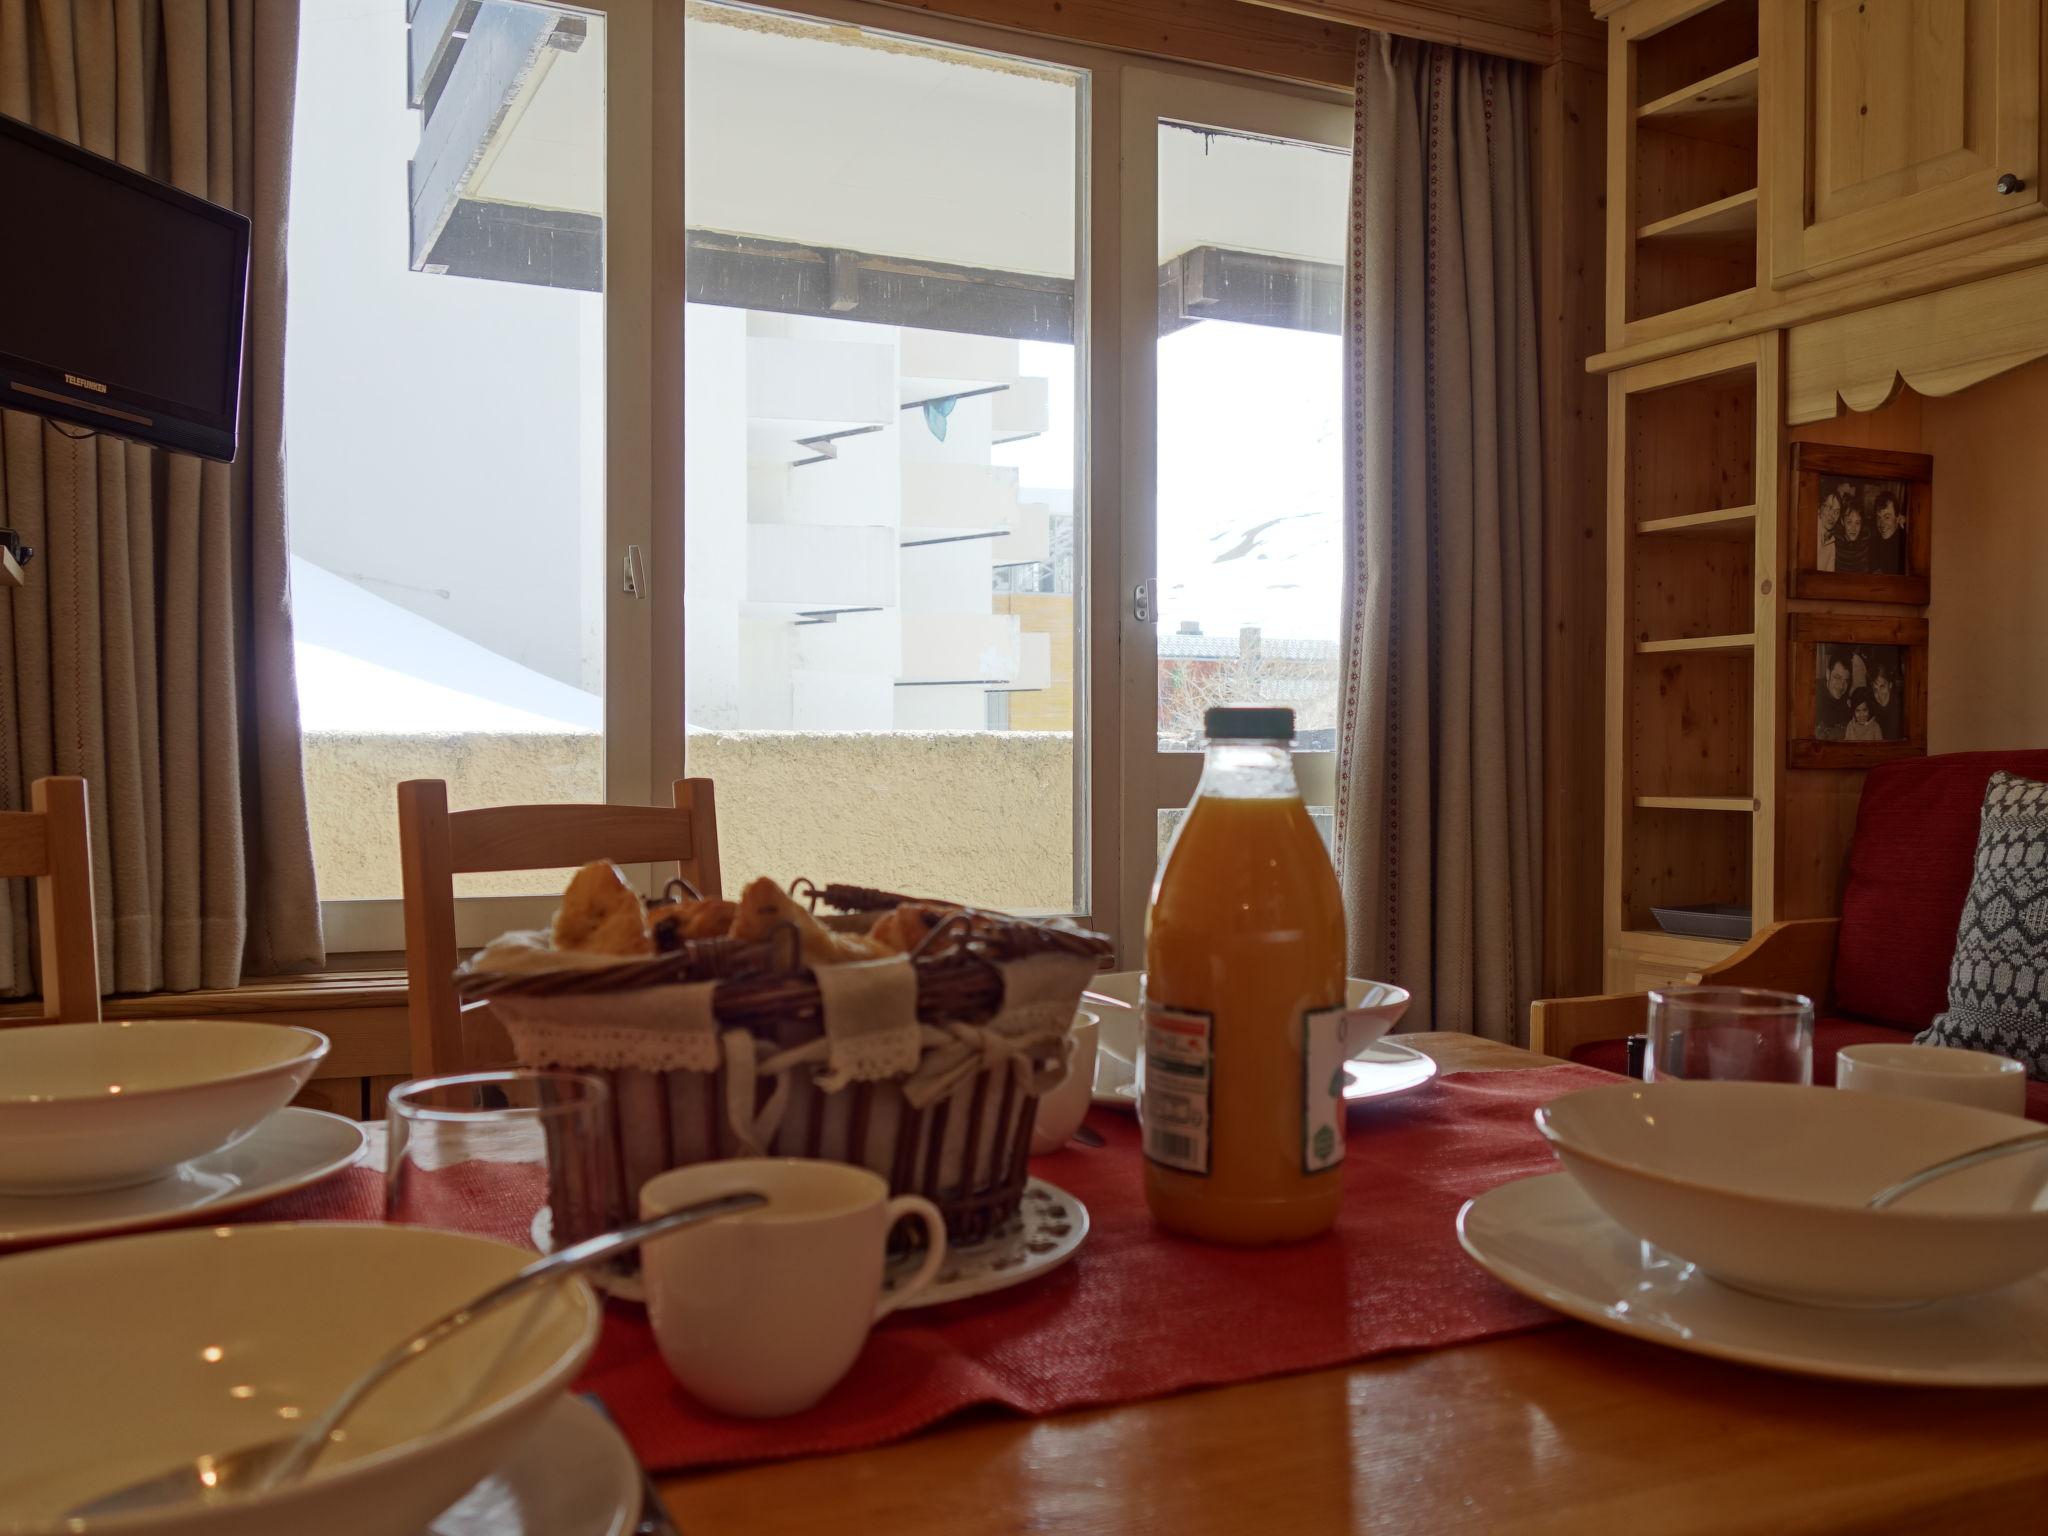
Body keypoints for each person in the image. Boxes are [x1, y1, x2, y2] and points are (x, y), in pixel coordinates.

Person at [1817, 653, 1854, 740]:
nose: (1841, 686)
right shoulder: (1813, 695)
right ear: (1827, 674)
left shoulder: (1846, 701)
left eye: (1845, 681)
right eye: (1837, 677)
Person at [1833, 502, 1875, 573]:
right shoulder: (1834, 540)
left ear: (1862, 523)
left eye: (1857, 523)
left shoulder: (1867, 540)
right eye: (1849, 522)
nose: (1853, 529)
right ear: (1842, 522)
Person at [1870, 661, 1904, 740]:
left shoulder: (1900, 708)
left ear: (1890, 685)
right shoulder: (1874, 708)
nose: (1879, 694)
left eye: (1882, 687)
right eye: (1875, 690)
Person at [1873, 495, 1906, 575]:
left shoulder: (1905, 543)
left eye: (1887, 517)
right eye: (1879, 518)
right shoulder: (1874, 541)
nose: (1882, 524)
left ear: (1898, 518)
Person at [1816, 492, 1841, 573]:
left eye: (1836, 512)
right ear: (1819, 508)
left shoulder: (1831, 543)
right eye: (1829, 508)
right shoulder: (1810, 532)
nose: (1832, 515)